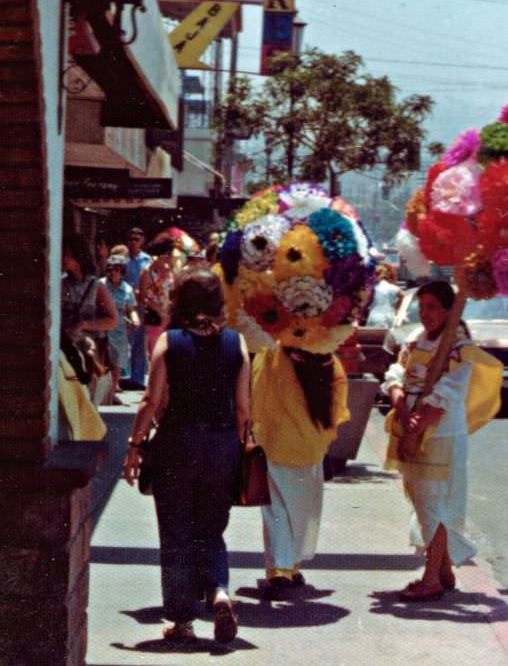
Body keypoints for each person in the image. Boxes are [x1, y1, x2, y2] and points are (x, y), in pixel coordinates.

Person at [123, 269, 250, 644]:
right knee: (211, 528)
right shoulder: (236, 345)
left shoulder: (170, 342)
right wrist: (239, 451)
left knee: (177, 532)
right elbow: (243, 409)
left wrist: (133, 445)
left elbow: (150, 400)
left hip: (176, 444)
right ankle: (219, 592)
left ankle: (182, 620)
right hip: (222, 445)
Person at [382, 280, 501, 601]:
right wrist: (401, 409)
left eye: (433, 307)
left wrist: (418, 425)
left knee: (435, 503)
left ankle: (432, 577)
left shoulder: (460, 349)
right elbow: (396, 372)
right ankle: (444, 570)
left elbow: (448, 393)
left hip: (442, 436)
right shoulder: (415, 340)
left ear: (449, 310)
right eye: (422, 307)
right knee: (421, 501)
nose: (426, 314)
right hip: (410, 428)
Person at [251, 344, 350, 599]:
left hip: (275, 443)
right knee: (301, 510)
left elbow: (255, 397)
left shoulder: (271, 355)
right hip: (310, 447)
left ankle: (280, 570)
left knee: (276, 509)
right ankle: (291, 566)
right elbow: (337, 403)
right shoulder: (327, 359)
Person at [61, 234, 118, 392]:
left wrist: (85, 324)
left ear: (77, 257)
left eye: (66, 255)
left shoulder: (96, 286)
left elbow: (113, 320)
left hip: (87, 352)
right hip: (66, 349)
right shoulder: (61, 283)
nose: (63, 259)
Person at [99, 254, 140, 404]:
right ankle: (101, 393)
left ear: (122, 271)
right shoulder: (100, 285)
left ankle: (111, 392)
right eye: (110, 269)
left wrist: (135, 319)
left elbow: (131, 309)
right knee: (103, 361)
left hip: (119, 330)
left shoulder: (127, 289)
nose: (113, 272)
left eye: (116, 269)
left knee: (117, 362)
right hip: (102, 328)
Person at [138, 234, 176, 357]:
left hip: (167, 316)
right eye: (169, 253)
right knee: (155, 353)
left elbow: (171, 293)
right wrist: (158, 310)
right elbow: (142, 297)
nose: (171, 257)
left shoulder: (169, 270)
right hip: (154, 317)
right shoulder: (147, 272)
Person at [123, 228, 152, 390]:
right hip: (126, 303)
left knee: (139, 343)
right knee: (124, 341)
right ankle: (124, 377)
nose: (133, 242)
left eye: (136, 239)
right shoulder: (123, 259)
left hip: (140, 304)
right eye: (131, 239)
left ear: (142, 241)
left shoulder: (146, 260)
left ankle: (138, 379)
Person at [365, 262, 403, 327]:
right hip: (390, 317)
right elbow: (403, 296)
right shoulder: (393, 288)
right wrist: (396, 307)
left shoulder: (373, 287)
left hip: (374, 317)